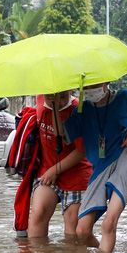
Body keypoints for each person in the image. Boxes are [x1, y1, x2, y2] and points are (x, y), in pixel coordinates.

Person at [63, 82, 127, 253]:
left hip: (125, 156)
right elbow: (64, 136)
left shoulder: (125, 97)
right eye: (87, 87)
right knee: (82, 231)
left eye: (95, 85)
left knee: (108, 224)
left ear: (106, 82)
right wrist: (55, 106)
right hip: (99, 166)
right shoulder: (82, 109)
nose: (91, 90)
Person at [29, 91, 93, 238]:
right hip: (47, 172)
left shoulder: (79, 110)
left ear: (70, 91)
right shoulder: (39, 99)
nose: (57, 102)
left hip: (77, 176)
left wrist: (56, 170)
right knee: (38, 214)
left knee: (73, 229)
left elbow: (82, 151)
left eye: (63, 97)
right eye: (51, 97)